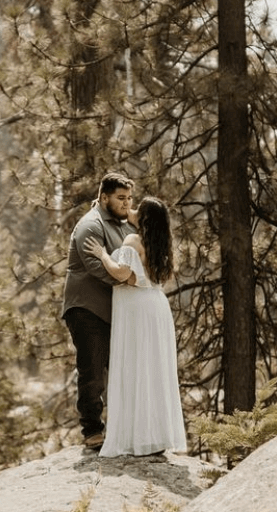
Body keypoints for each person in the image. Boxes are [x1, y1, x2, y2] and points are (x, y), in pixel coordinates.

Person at [92, 196, 187, 458]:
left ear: (143, 218)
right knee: (153, 372)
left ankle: (137, 438)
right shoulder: (160, 244)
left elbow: (122, 274)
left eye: (137, 209)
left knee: (136, 369)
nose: (131, 211)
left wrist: (101, 255)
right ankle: (154, 437)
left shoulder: (133, 241)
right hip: (156, 308)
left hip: (138, 312)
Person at [61, 171, 135, 449]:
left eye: (129, 198)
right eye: (121, 198)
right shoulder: (90, 226)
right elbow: (95, 267)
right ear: (104, 197)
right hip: (86, 308)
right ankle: (92, 430)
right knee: (92, 370)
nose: (126, 203)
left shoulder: (123, 224)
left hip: (113, 310)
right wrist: (128, 278)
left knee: (119, 369)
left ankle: (121, 428)